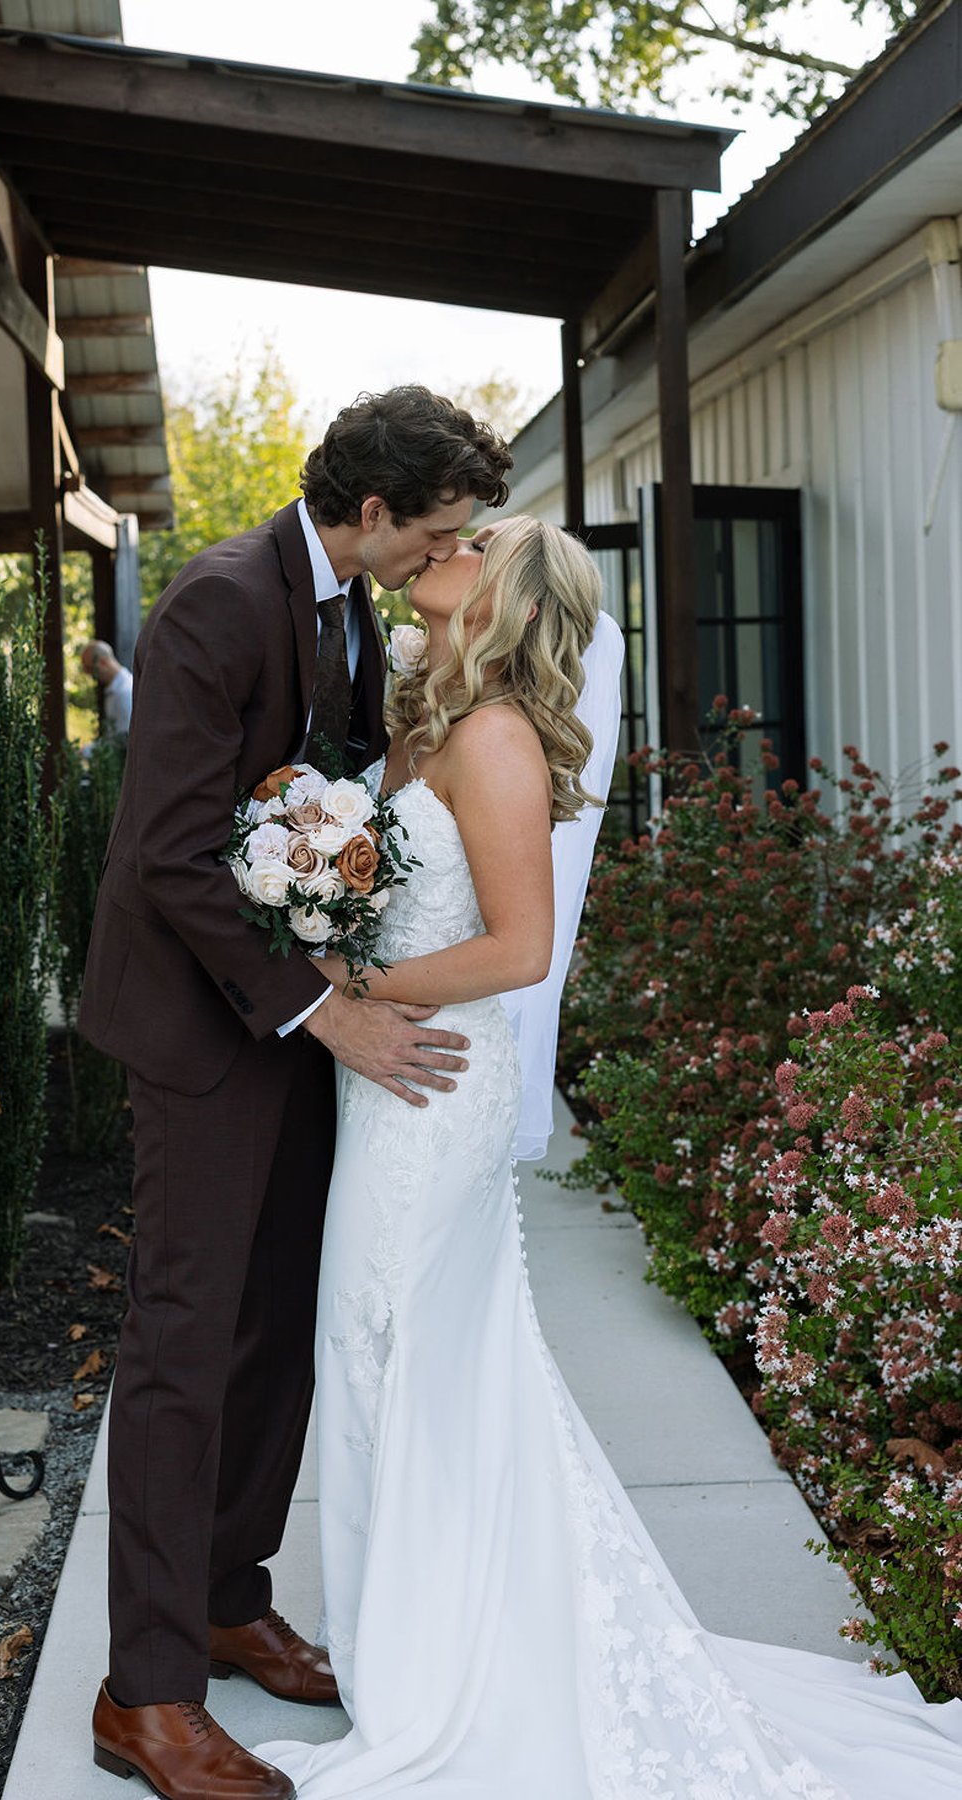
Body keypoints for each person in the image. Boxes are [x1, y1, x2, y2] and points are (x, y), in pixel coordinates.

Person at [254, 516, 962, 1797]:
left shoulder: (497, 739)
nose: (440, 548)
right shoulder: (421, 722)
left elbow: (520, 949)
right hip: (388, 1083)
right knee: (373, 1356)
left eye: (469, 542)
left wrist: (355, 976)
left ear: (507, 596)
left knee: (392, 1347)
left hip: (434, 1083)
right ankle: (404, 1637)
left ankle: (435, 1667)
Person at [76, 386, 514, 1800]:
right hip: (204, 1039)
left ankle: (223, 1594)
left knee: (274, 1329)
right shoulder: (216, 602)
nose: (449, 556)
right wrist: (333, 1015)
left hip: (278, 1023)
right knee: (183, 1350)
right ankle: (144, 1696)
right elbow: (171, 857)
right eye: (439, 531)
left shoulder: (343, 596)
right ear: (373, 511)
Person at [81, 639, 134, 741]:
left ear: (103, 662)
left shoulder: (124, 692)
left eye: (89, 668)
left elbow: (123, 740)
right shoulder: (115, 689)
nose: (88, 674)